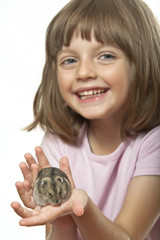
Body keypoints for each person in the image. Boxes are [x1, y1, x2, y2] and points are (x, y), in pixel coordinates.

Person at [11, 0, 160, 239]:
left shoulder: (154, 143)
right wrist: (61, 221)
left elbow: (127, 236)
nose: (84, 72)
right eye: (70, 60)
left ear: (141, 62)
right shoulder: (58, 142)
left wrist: (81, 208)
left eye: (106, 56)